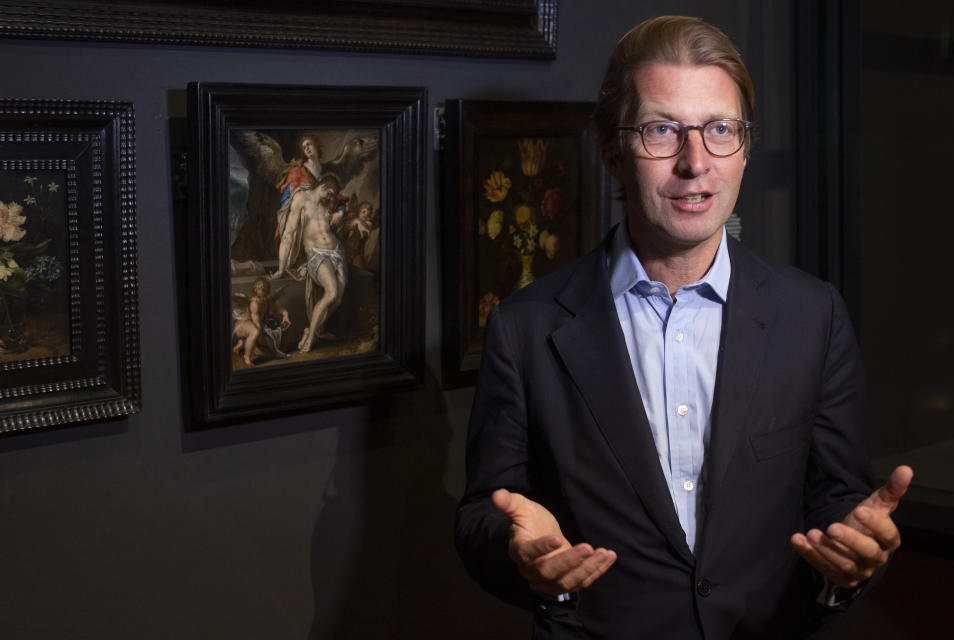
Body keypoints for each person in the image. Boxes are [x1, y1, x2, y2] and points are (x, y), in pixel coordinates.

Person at [455, 15, 913, 639]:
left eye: (720, 129)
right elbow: (483, 511)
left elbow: (839, 499)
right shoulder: (526, 328)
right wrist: (519, 554)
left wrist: (853, 560)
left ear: (745, 148)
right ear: (614, 152)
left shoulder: (813, 315)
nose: (695, 163)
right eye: (661, 131)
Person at [271, 174, 347, 353]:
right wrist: (282, 268)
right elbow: (289, 234)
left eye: (333, 196)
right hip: (316, 253)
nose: (331, 198)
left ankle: (311, 329)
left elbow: (343, 206)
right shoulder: (301, 198)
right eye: (330, 193)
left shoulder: (327, 203)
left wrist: (339, 214)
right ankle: (311, 336)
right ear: (324, 186)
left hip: (337, 250)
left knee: (338, 299)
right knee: (331, 291)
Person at [232, 277, 291, 366]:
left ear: (267, 294)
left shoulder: (268, 301)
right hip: (243, 325)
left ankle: (240, 344)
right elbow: (256, 323)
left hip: (254, 323)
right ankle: (247, 356)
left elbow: (279, 310)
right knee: (256, 332)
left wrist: (286, 315)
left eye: (264, 296)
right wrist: (263, 334)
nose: (261, 299)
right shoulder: (254, 304)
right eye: (259, 296)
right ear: (254, 294)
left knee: (267, 330)